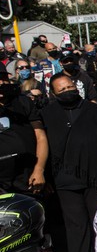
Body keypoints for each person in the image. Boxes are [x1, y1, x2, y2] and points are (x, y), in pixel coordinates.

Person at [42, 73, 97, 252]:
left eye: (70, 88)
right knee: (75, 225)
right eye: (62, 90)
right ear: (53, 93)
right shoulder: (47, 114)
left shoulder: (93, 110)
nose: (68, 92)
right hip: (65, 181)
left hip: (96, 178)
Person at [0, 62, 48, 193]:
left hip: (28, 177)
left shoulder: (23, 102)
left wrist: (39, 169)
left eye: (3, 78)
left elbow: (40, 137)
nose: (1, 83)